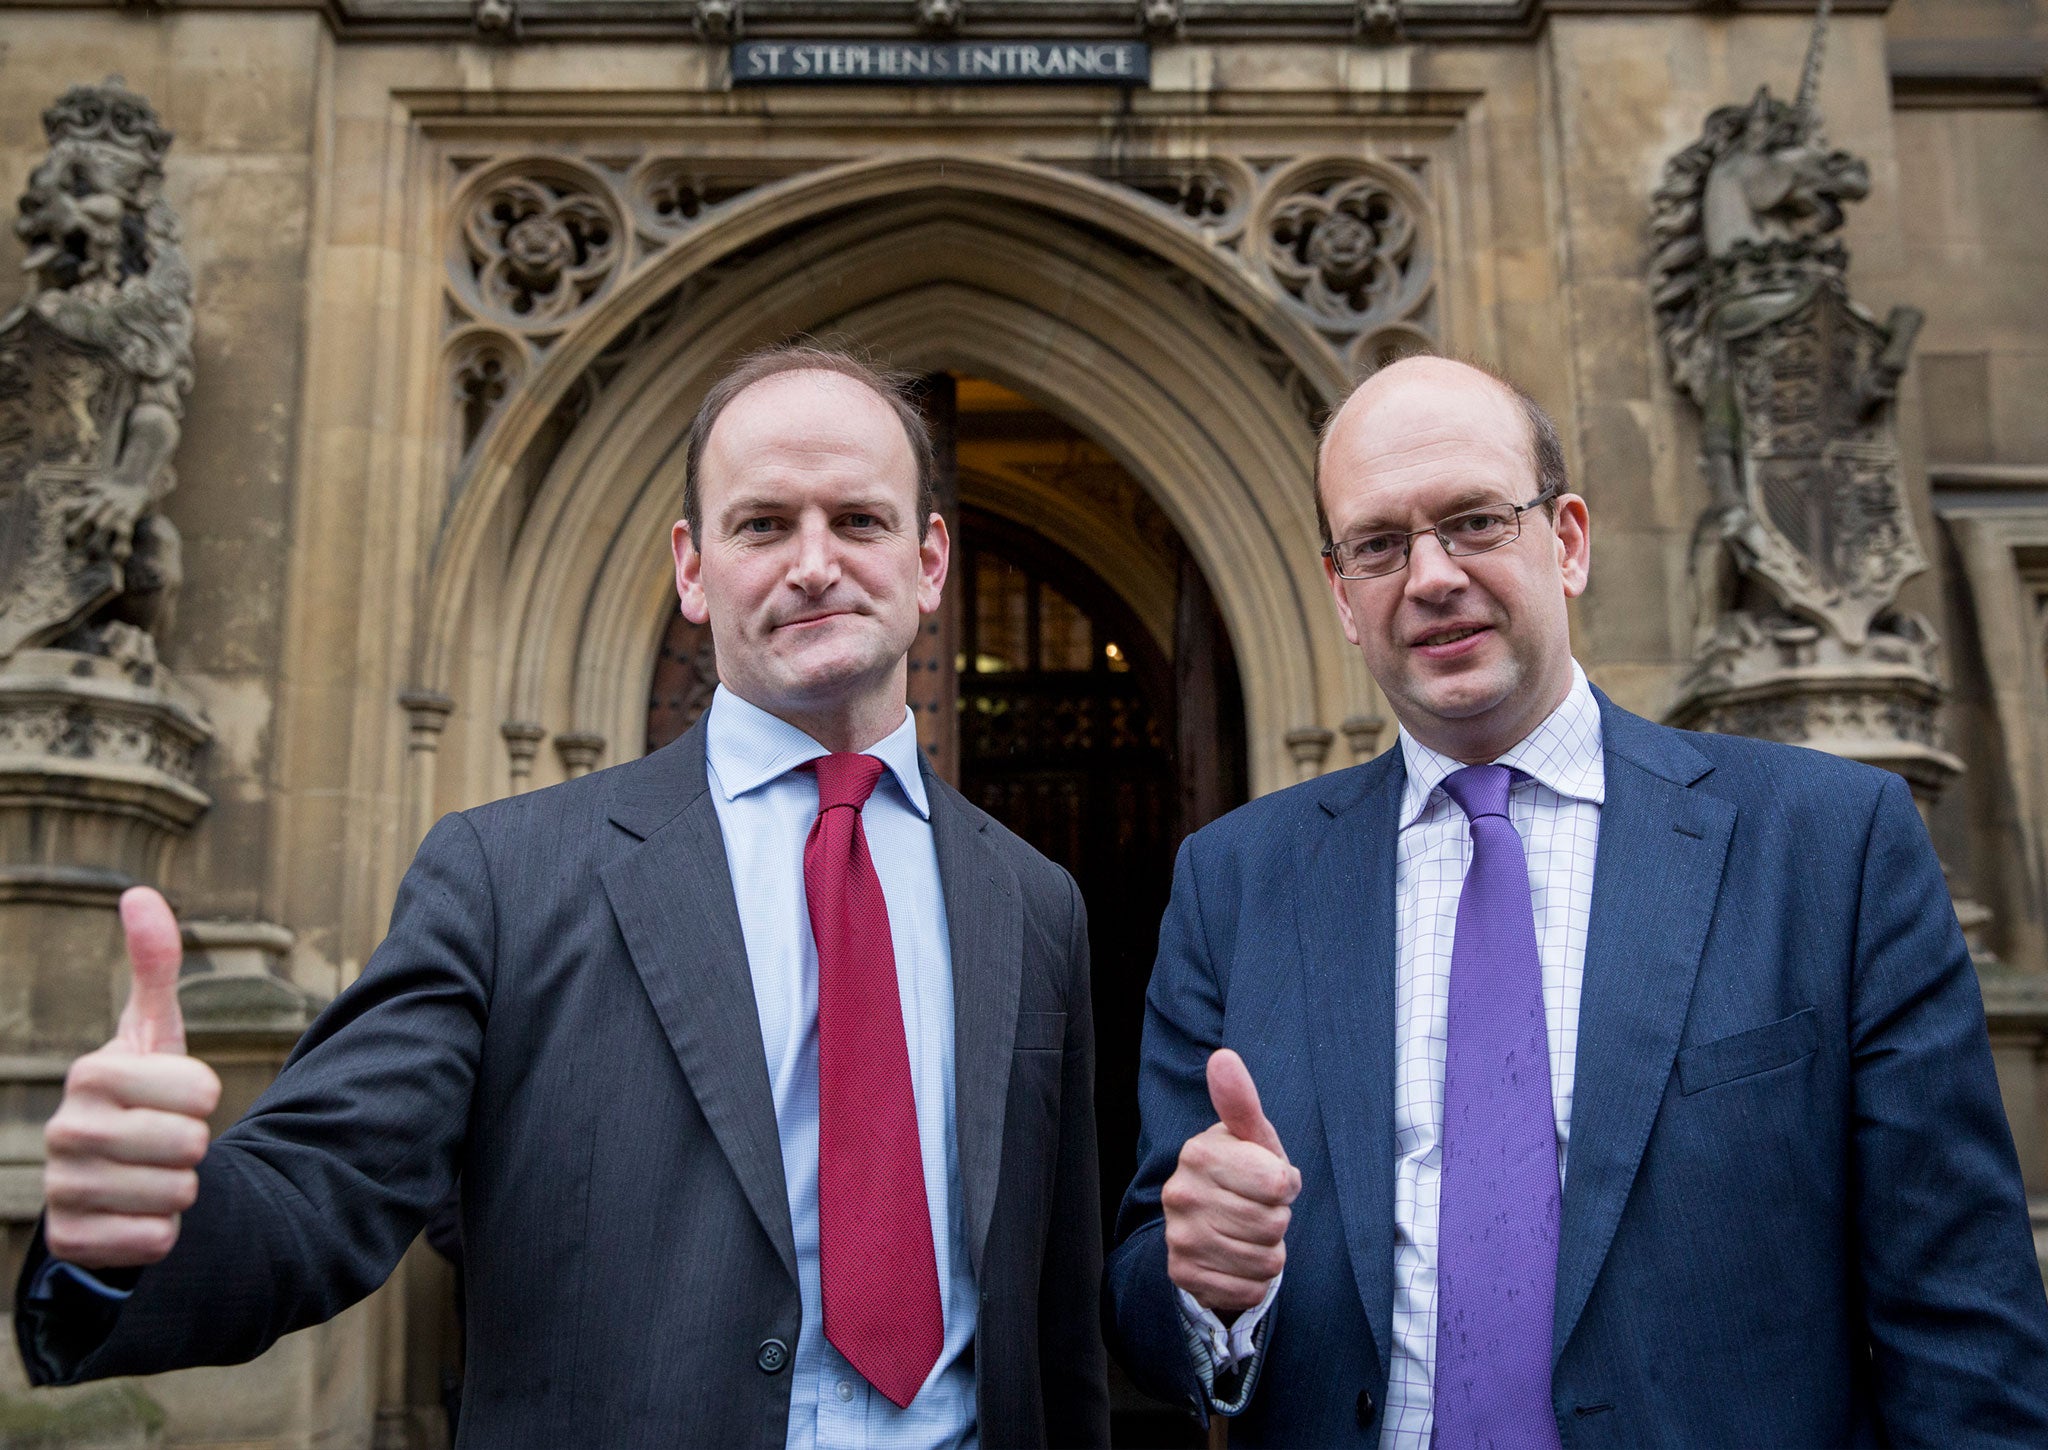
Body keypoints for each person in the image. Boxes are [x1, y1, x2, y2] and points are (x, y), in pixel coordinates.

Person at [19, 345, 1112, 1450]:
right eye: (763, 524)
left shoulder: (1032, 900)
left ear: (928, 560)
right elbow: (325, 1182)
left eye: (860, 521)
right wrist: (137, 1227)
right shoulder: (505, 873)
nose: (814, 563)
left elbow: (1055, 1322)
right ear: (691, 567)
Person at [1104, 354, 2048, 1447]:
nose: (1430, 576)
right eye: (1377, 544)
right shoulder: (1232, 880)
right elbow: (1139, 1299)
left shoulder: (1828, 846)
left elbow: (1962, 1322)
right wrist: (1206, 1284)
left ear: (1567, 540)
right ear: (1340, 597)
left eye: (1471, 520)